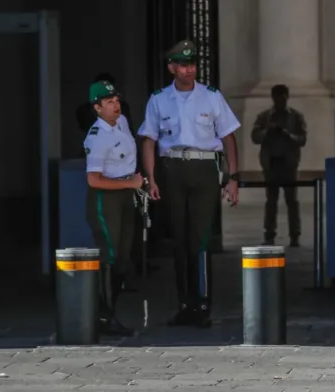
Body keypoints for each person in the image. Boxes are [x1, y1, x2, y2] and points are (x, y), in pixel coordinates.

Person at [138, 39, 240, 328]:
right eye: (183, 65)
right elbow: (149, 141)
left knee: (201, 238)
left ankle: (203, 302)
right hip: (172, 169)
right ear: (171, 67)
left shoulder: (211, 96)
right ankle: (185, 302)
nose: (189, 70)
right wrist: (151, 178)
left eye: (192, 64)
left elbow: (229, 138)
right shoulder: (159, 99)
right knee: (179, 240)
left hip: (204, 167)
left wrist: (232, 178)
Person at [83, 80, 143, 336]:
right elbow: (93, 179)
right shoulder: (97, 137)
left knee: (123, 257)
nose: (115, 105)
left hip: (126, 193)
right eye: (109, 102)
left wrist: (133, 183)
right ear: (97, 108)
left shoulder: (123, 122)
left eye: (116, 100)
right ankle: (105, 316)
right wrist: (129, 182)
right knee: (109, 255)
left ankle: (107, 310)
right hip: (105, 198)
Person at [251, 84, 307, 247]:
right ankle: (269, 234)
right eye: (277, 98)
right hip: (271, 163)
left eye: (282, 98)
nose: (280, 101)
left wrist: (287, 135)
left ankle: (294, 235)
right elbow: (255, 137)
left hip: (289, 163)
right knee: (271, 201)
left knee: (292, 201)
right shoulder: (264, 117)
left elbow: (302, 139)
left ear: (287, 97)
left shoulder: (296, 117)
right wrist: (268, 131)